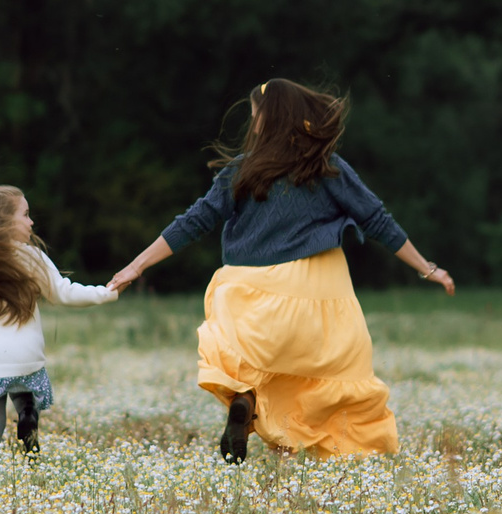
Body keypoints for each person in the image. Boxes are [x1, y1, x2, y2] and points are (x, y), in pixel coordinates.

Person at [108, 79, 453, 461]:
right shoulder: (328, 169)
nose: (253, 122)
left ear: (270, 119)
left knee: (246, 362)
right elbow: (377, 220)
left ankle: (244, 399)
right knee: (324, 377)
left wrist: (136, 265)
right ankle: (291, 440)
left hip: (249, 291)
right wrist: (428, 268)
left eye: (256, 113)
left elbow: (195, 220)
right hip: (315, 292)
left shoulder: (241, 170)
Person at [0, 185, 117, 452]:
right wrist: (107, 292)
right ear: (4, 222)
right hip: (26, 357)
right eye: (26, 215)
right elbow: (64, 293)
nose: (31, 222)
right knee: (23, 381)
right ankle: (27, 413)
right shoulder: (31, 256)